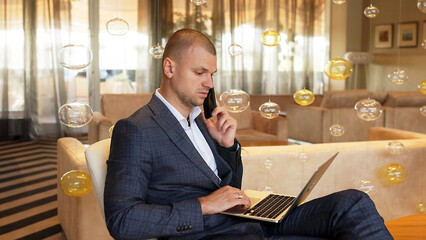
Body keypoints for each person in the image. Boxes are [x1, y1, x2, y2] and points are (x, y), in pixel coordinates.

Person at [104, 28, 393, 240]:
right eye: (200, 72)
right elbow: (123, 220)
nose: (209, 83)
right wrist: (205, 205)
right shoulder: (137, 129)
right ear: (169, 67)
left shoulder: (202, 120)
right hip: (212, 235)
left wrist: (226, 148)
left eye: (212, 74)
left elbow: (229, 189)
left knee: (352, 203)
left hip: (249, 223)